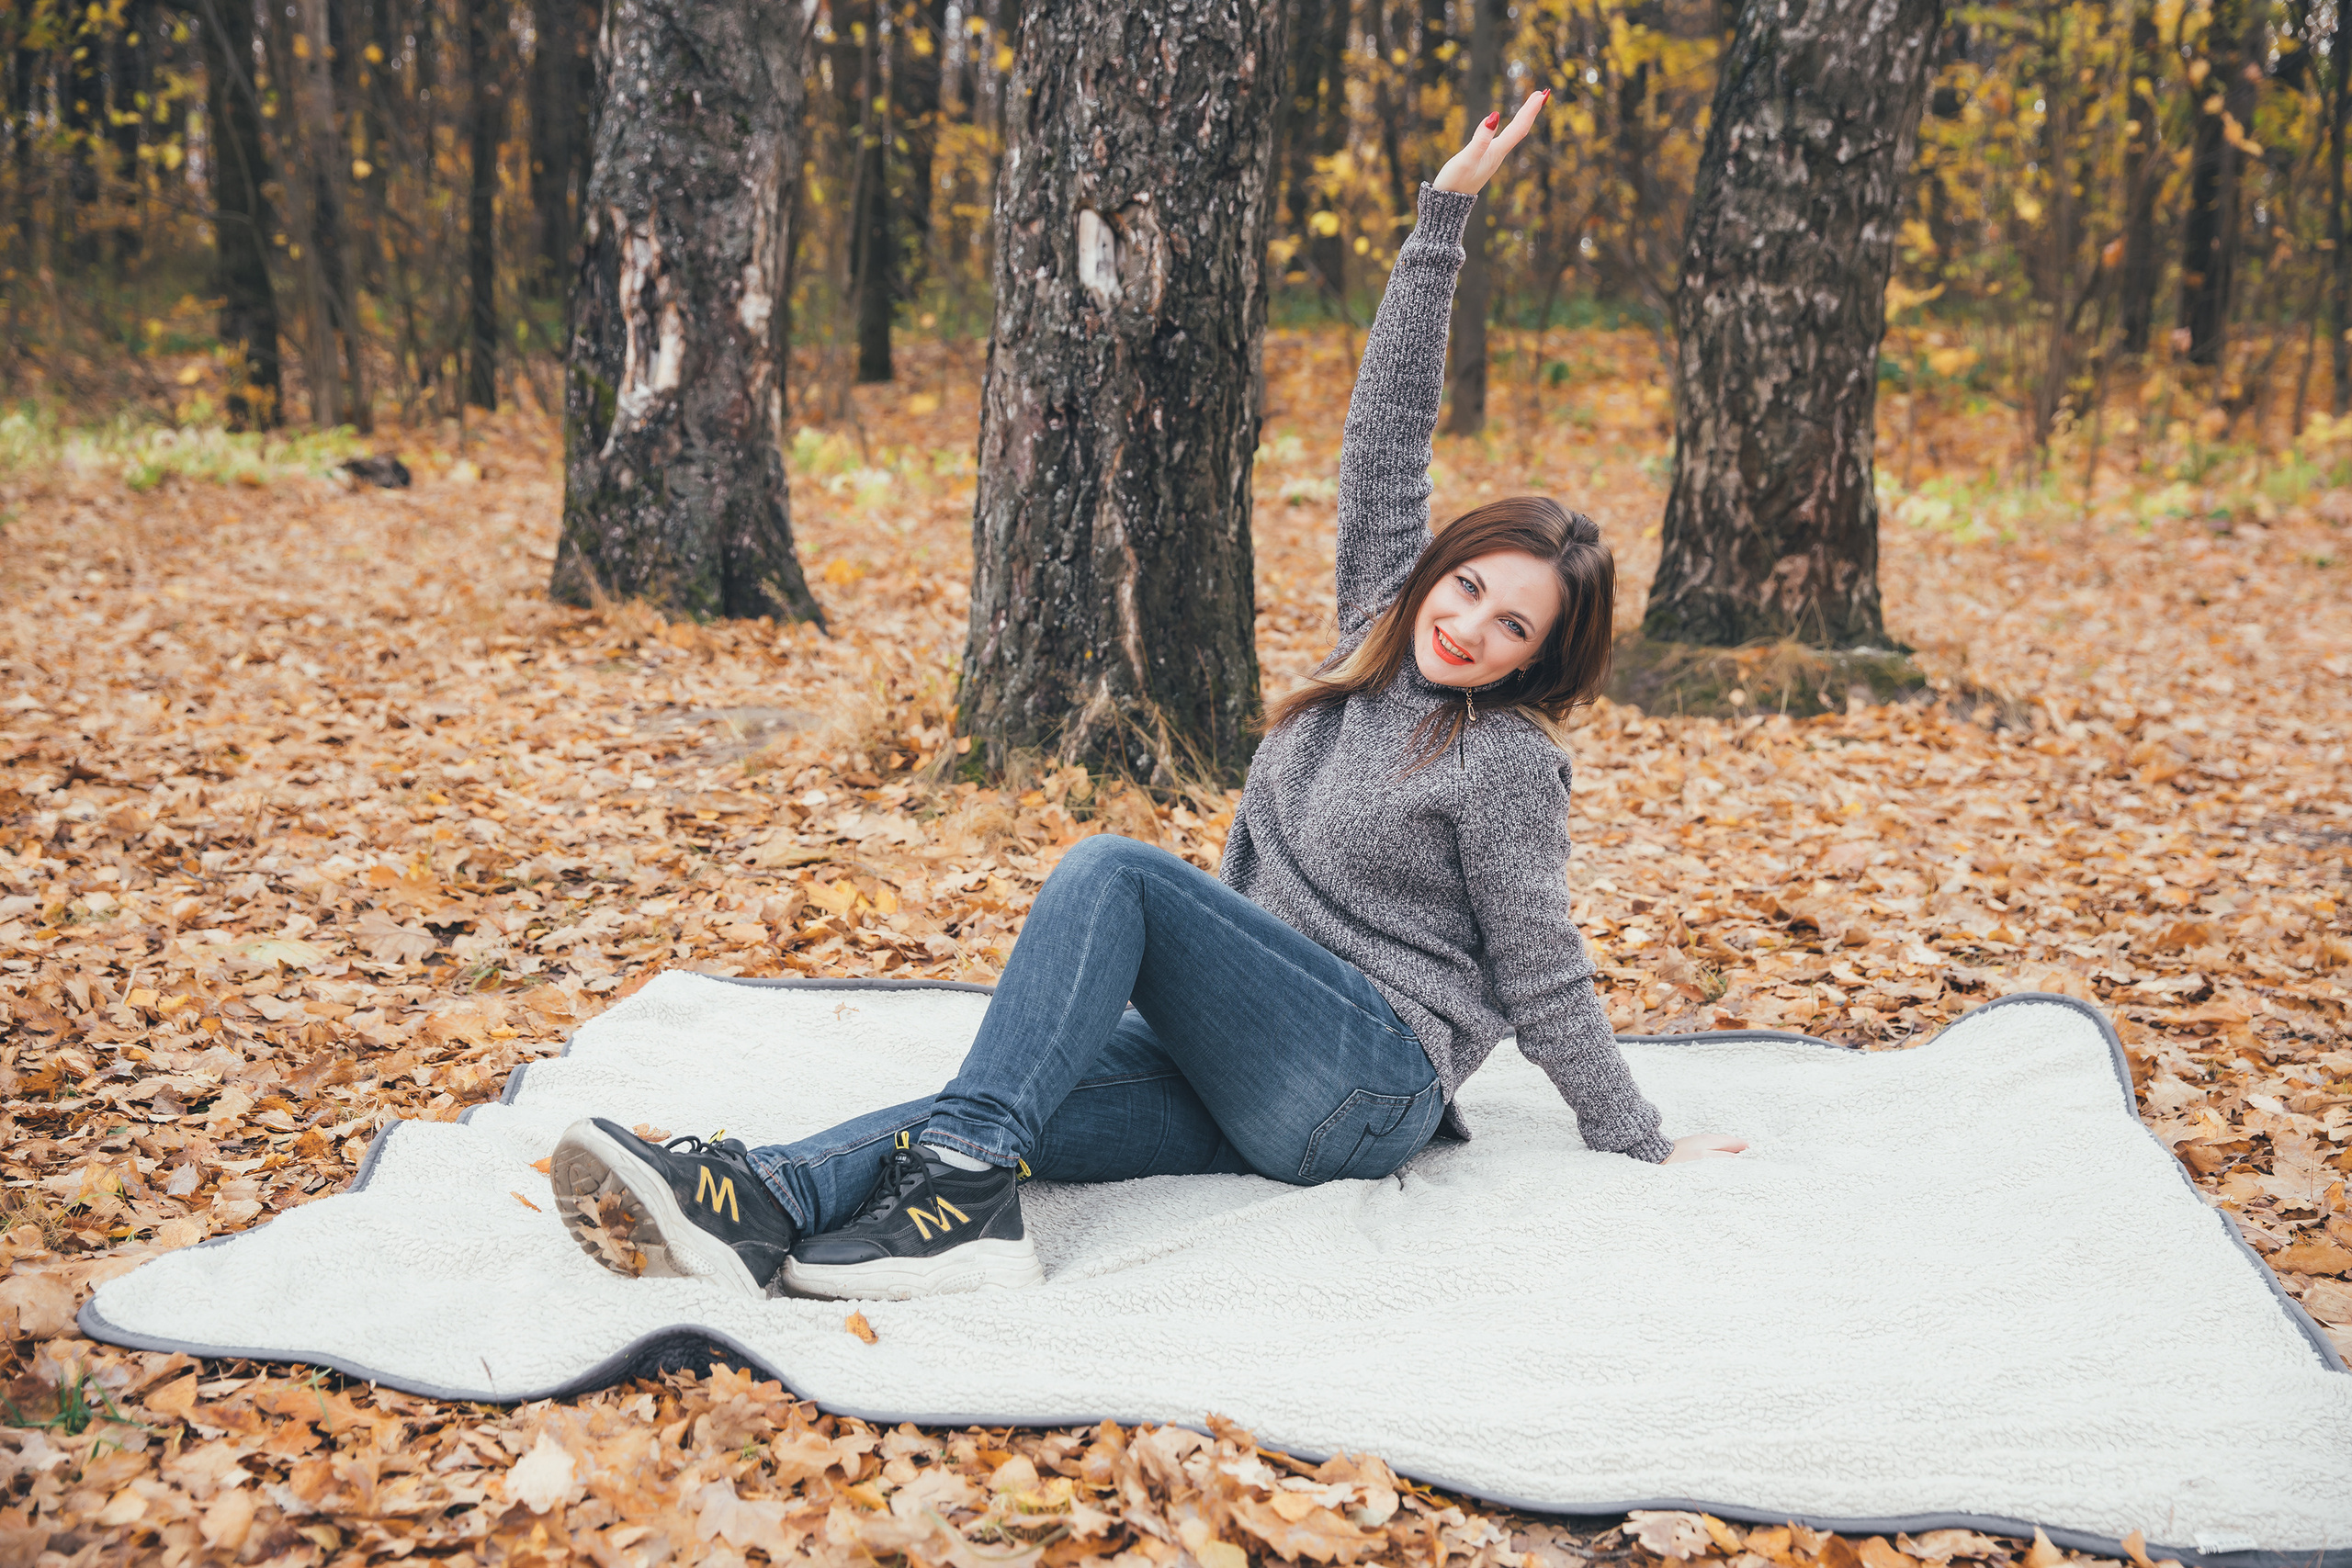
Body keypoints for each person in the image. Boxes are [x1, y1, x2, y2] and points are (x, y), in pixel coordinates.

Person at [548, 90, 1747, 1304]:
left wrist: (1634, 1135)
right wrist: (1442, 216)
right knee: (1018, 1087)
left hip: (1362, 1083)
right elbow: (1387, 432)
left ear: (1542, 657)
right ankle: (761, 1202)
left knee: (1112, 873)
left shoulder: (1504, 762)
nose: (1472, 626)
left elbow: (1543, 968)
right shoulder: (1381, 629)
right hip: (1251, 1063)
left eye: (1515, 626)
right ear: (1439, 566)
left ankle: (959, 1209)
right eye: (1471, 586)